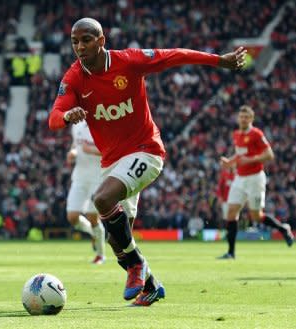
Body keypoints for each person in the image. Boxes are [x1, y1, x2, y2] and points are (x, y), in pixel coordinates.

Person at [48, 17, 246, 306]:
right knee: (118, 243)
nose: (80, 46)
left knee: (102, 200)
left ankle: (138, 264)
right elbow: (54, 117)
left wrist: (219, 61)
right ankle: (151, 286)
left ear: (101, 41)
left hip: (147, 150)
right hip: (112, 162)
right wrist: (66, 116)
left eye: (87, 39)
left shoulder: (128, 62)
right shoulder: (74, 77)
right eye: (75, 41)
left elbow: (175, 55)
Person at [218, 105, 294, 259]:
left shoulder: (256, 134)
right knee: (231, 212)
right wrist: (229, 162)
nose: (243, 119)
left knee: (256, 216)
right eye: (241, 116)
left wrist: (251, 159)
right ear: (238, 118)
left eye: (246, 117)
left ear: (251, 119)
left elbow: (269, 155)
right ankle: (231, 252)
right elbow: (240, 155)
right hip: (240, 178)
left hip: (255, 178)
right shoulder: (236, 134)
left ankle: (283, 229)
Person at [66, 121, 106, 264]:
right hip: (79, 177)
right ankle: (94, 233)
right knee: (72, 217)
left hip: (98, 177)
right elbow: (76, 145)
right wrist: (73, 152)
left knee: (92, 216)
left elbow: (110, 149)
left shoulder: (104, 122)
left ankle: (100, 255)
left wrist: (91, 149)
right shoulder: (77, 125)